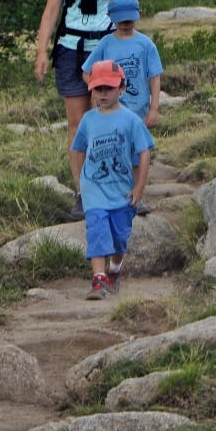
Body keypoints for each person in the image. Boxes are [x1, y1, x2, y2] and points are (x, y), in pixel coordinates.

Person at [34, 0, 138, 221]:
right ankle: (83, 194)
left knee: (114, 123)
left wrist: (134, 52)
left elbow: (131, 10)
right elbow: (52, 10)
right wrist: (41, 51)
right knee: (79, 125)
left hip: (108, 49)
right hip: (71, 49)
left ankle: (125, 191)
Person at [71, 60, 154, 300]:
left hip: (121, 190)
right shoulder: (88, 120)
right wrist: (81, 183)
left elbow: (144, 151)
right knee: (96, 229)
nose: (103, 93)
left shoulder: (131, 120)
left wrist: (139, 187)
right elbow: (78, 149)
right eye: (98, 88)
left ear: (122, 88)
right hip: (94, 188)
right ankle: (98, 280)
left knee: (119, 239)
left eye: (109, 88)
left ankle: (115, 269)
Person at [81, 0, 163, 216]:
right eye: (120, 20)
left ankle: (136, 196)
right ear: (111, 18)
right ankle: (112, 196)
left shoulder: (146, 45)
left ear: (138, 15)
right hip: (109, 112)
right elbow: (86, 72)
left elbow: (154, 77)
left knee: (137, 153)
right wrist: (99, 91)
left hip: (137, 112)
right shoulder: (106, 44)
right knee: (114, 152)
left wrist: (154, 108)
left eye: (129, 19)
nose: (125, 24)